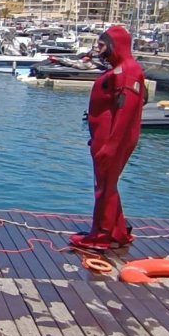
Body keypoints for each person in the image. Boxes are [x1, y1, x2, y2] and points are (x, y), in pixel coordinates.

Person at [72, 25, 146, 251]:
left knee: (103, 187)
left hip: (114, 140)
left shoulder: (128, 71)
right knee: (108, 185)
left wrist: (111, 145)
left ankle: (101, 235)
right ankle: (118, 231)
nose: (98, 50)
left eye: (102, 45)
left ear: (115, 46)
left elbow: (127, 111)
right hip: (104, 139)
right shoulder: (120, 70)